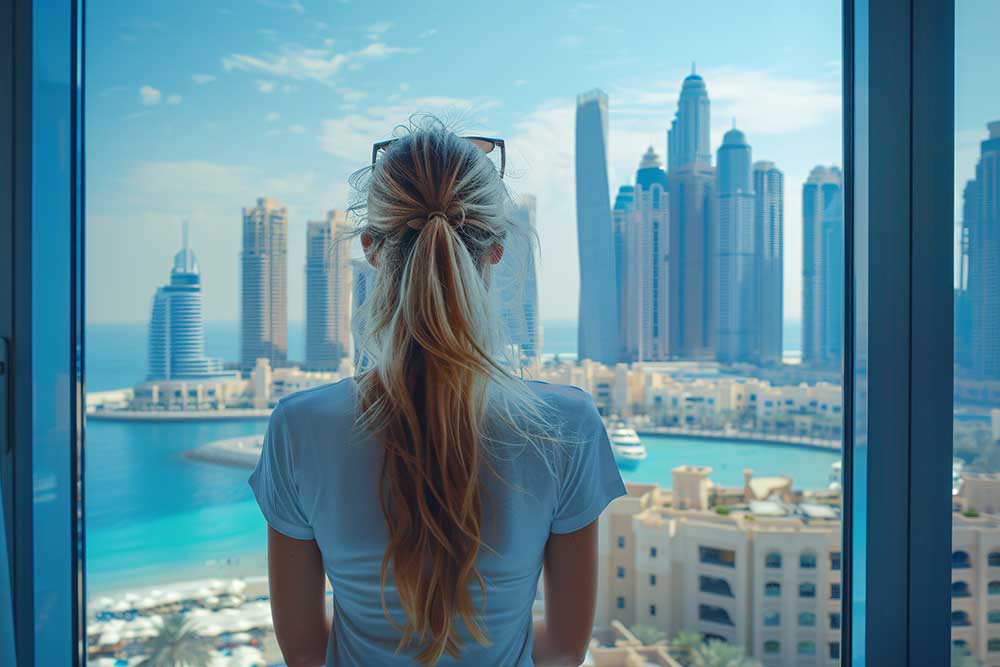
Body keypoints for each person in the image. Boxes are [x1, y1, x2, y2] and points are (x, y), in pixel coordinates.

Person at [249, 120, 626, 667]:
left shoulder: (298, 427)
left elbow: (305, 651)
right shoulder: (565, 424)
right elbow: (566, 650)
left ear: (372, 250)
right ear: (495, 250)